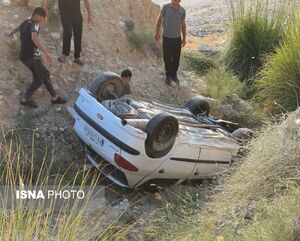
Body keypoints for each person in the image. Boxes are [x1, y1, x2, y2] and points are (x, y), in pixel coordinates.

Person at [5, 7, 66, 108]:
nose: (42, 21)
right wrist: (46, 53)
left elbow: (17, 28)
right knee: (39, 79)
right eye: (43, 18)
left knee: (45, 74)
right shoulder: (35, 24)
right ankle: (25, 99)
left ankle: (55, 97)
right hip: (31, 56)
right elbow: (34, 38)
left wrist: (10, 33)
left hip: (25, 56)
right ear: (39, 16)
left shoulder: (25, 21)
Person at [44, 0, 94, 65]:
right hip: (65, 12)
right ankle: (64, 54)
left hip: (76, 12)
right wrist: (45, 8)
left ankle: (77, 57)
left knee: (78, 33)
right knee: (68, 32)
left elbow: (86, 0)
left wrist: (89, 14)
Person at [155, 0, 186, 85]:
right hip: (167, 37)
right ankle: (168, 76)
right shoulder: (165, 7)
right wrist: (157, 31)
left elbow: (183, 24)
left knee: (176, 58)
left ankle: (174, 75)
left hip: (177, 38)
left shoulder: (182, 10)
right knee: (167, 58)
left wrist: (184, 37)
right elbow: (160, 19)